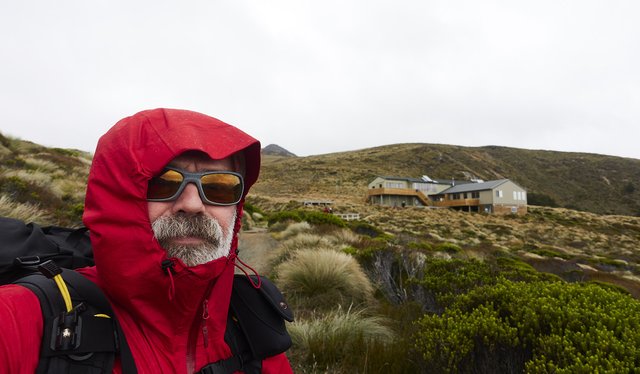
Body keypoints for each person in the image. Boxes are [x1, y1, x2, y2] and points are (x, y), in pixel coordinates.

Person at [0, 108, 293, 373]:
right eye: (163, 182)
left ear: (236, 208)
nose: (192, 205)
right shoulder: (21, 319)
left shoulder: (251, 323)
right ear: (117, 196)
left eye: (219, 187)